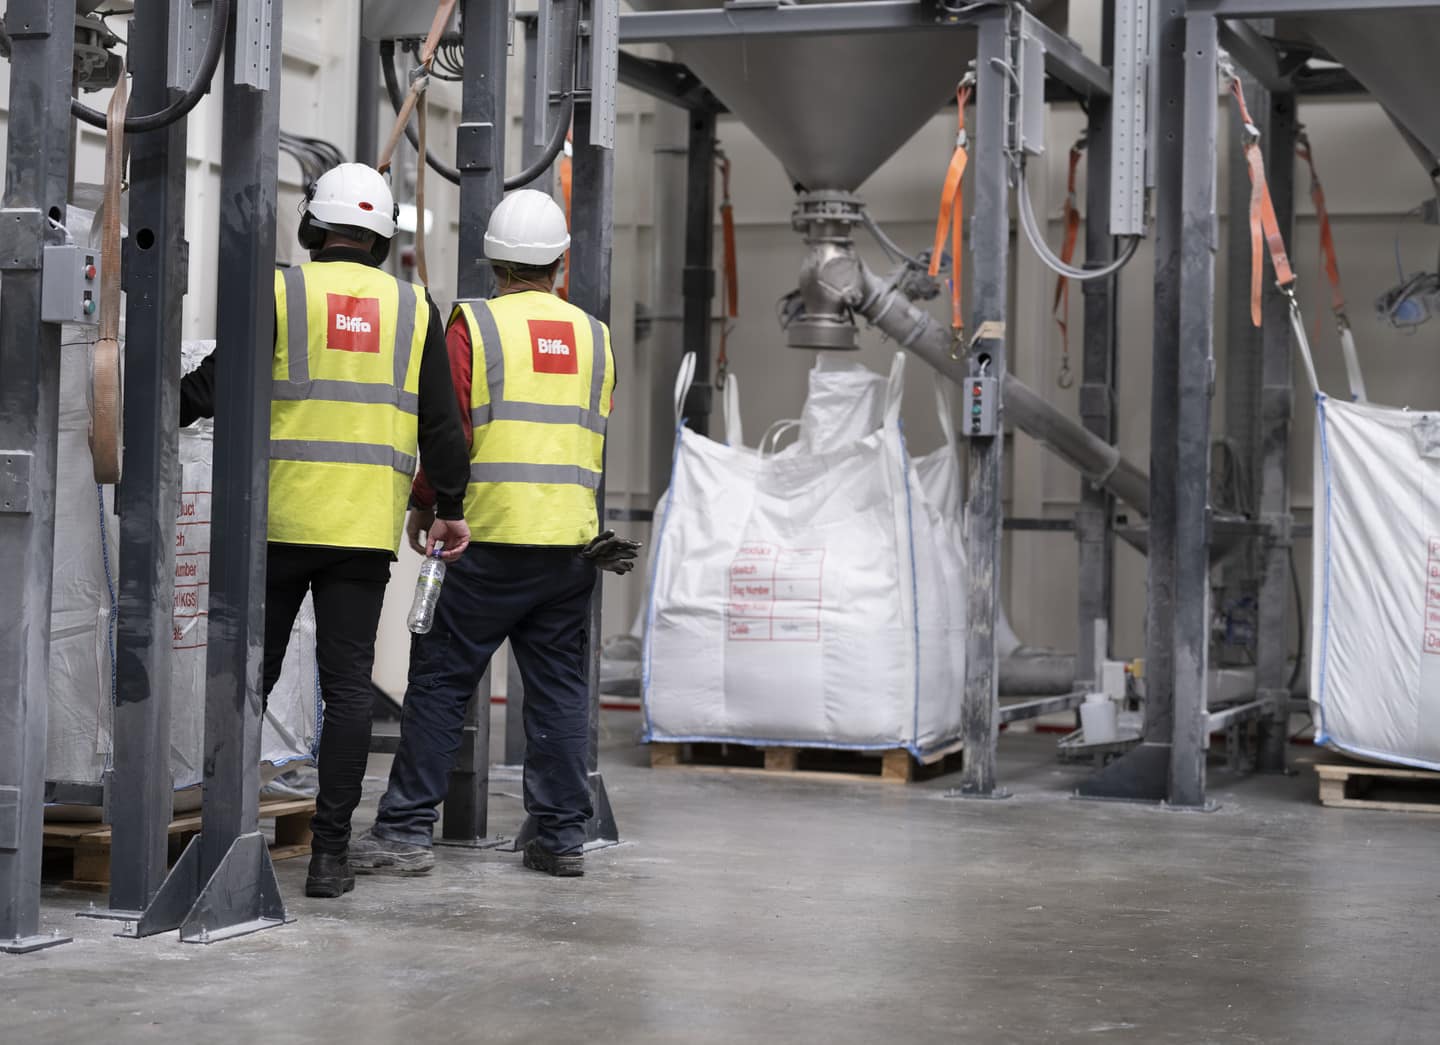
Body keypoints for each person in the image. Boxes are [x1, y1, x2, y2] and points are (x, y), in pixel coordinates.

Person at [179, 163, 472, 898]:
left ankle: (226, 836)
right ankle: (330, 856)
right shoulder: (413, 307)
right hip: (360, 534)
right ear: (382, 239)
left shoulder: (280, 290)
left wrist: (130, 407)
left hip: (274, 524)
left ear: (313, 226)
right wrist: (448, 505)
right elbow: (442, 425)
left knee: (250, 677)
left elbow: (212, 386)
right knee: (347, 691)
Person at [350, 189, 638, 879]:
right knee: (560, 691)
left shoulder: (473, 326)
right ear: (561, 263)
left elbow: (452, 430)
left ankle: (406, 830)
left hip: (483, 540)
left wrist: (428, 503)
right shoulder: (596, 337)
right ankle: (561, 836)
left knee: (442, 682)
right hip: (570, 546)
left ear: (494, 263)